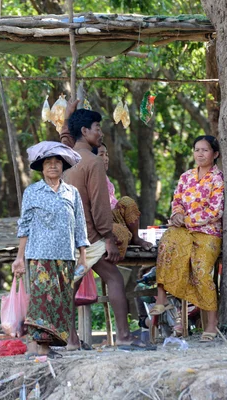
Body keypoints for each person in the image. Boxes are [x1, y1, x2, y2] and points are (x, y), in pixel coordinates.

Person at [61, 104, 151, 350]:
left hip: (68, 235)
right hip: (89, 234)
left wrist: (69, 114)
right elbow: (99, 205)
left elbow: (65, 136)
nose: (100, 134)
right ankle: (123, 336)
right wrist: (108, 237)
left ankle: (70, 340)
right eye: (97, 128)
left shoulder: (64, 157)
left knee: (71, 286)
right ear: (85, 130)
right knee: (114, 279)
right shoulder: (93, 162)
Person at [12, 141, 88, 358]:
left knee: (61, 302)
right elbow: (24, 225)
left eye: (57, 162)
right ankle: (41, 348)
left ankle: (43, 347)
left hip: (65, 256)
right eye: (48, 163)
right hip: (40, 255)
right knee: (43, 302)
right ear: (42, 168)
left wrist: (83, 255)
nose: (53, 166)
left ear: (63, 167)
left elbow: (80, 225)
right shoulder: (33, 192)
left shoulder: (71, 193)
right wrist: (19, 258)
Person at [151, 135, 224, 342]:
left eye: (205, 150)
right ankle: (162, 297)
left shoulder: (218, 179)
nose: (199, 154)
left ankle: (211, 324)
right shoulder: (186, 177)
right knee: (168, 239)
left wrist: (187, 220)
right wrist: (176, 216)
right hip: (184, 230)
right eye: (196, 149)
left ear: (215, 154)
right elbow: (177, 202)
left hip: (208, 233)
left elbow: (215, 211)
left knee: (201, 271)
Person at [95, 142, 153, 256]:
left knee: (127, 201)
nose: (106, 158)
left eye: (106, 155)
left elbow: (113, 202)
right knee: (121, 234)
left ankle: (135, 238)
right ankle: (125, 237)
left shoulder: (105, 178)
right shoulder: (87, 178)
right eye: (101, 155)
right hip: (101, 224)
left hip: (113, 218)